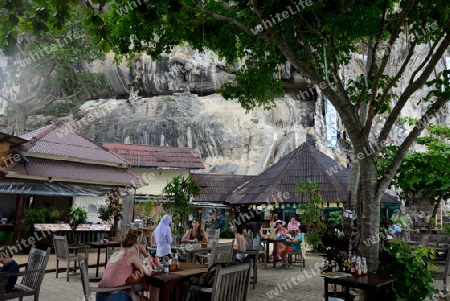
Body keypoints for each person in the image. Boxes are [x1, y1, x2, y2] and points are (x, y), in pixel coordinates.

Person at [98, 231, 152, 301]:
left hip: (99, 295)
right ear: (135, 245)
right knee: (146, 299)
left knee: (134, 294)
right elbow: (148, 273)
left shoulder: (115, 254)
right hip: (113, 296)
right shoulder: (132, 255)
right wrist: (149, 262)